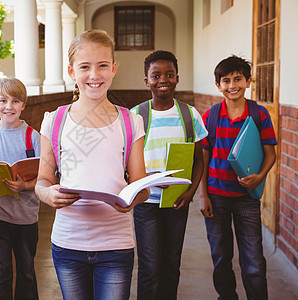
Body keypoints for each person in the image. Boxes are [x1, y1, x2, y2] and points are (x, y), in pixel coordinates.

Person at [34, 29, 149, 300]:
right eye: (85, 67)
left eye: (102, 66)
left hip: (116, 244)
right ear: (72, 72)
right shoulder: (54, 120)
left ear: (114, 68)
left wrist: (135, 198)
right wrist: (48, 194)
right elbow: (42, 180)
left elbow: (140, 186)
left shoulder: (131, 122)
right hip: (67, 243)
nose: (94, 75)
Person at [131, 50, 207, 300]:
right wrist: (145, 178)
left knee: (171, 266)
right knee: (150, 268)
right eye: (156, 75)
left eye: (169, 74)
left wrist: (191, 192)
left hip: (177, 201)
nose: (163, 79)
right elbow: (125, 163)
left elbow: (199, 159)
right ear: (147, 81)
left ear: (177, 78)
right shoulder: (135, 117)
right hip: (146, 202)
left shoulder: (189, 115)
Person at [200, 55, 277, 300]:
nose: (232, 85)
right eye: (226, 81)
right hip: (216, 197)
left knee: (253, 258)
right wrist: (204, 196)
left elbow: (270, 153)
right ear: (218, 85)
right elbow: (202, 160)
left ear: (248, 81)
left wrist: (260, 177)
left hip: (246, 199)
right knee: (221, 257)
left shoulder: (259, 114)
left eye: (238, 79)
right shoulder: (210, 117)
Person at [0, 78, 41, 300]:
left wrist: (25, 185)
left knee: (27, 273)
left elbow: (45, 177)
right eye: (3, 100)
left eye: (15, 101)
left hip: (26, 217)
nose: (9, 106)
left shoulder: (33, 137)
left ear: (23, 105)